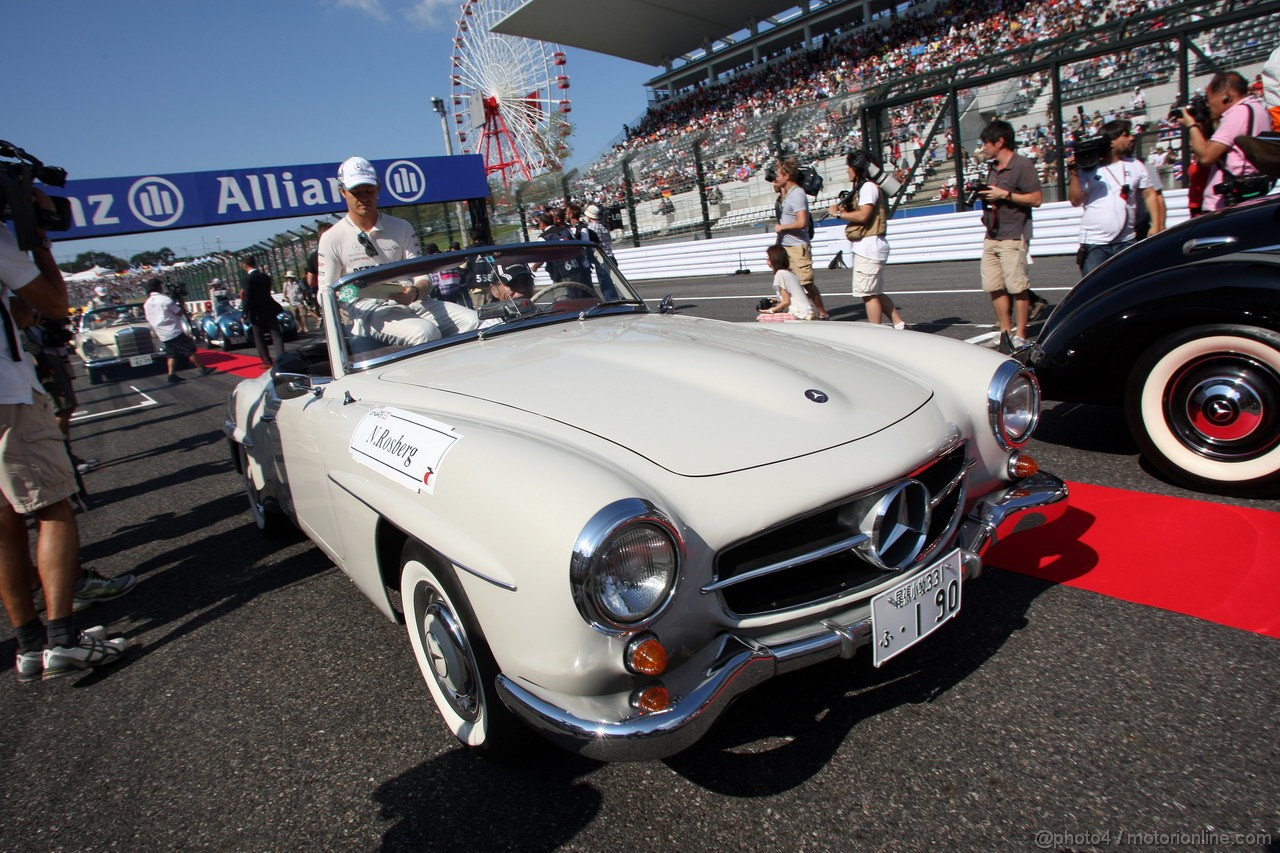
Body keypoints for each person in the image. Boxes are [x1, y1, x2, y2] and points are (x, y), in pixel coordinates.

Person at [0, 191, 130, 683]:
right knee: (52, 508)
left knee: (5, 523)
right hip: (7, 395)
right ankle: (63, 640)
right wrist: (41, 246)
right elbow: (51, 304)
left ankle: (29, 645)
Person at [316, 156, 439, 347]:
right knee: (425, 333)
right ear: (342, 192)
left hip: (415, 302)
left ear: (378, 189)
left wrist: (414, 292)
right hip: (369, 310)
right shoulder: (332, 238)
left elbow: (422, 275)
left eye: (369, 190)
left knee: (479, 322)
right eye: (356, 192)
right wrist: (358, 291)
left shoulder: (401, 227)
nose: (364, 197)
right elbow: (325, 295)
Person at [975, 120, 1043, 350]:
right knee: (994, 285)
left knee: (1017, 286)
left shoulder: (1022, 165)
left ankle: (1021, 334)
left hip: (1014, 235)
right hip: (992, 234)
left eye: (986, 143)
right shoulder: (993, 167)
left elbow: (1036, 199)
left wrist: (1004, 195)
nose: (984, 147)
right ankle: (1005, 331)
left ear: (1000, 141)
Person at [1068, 119, 1163, 275]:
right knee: (1094, 291)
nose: (1131, 138)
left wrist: (1156, 225)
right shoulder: (1088, 168)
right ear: (1111, 141)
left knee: (1128, 287)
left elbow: (1150, 194)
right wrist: (1073, 174)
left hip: (1127, 241)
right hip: (1094, 244)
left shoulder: (1136, 165)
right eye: (1126, 135)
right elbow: (1075, 200)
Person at [827, 150, 905, 329]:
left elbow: (863, 215)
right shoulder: (866, 187)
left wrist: (838, 213)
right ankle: (899, 324)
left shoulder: (867, 187)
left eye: (849, 166)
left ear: (857, 168)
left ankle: (875, 332)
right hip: (871, 246)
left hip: (869, 245)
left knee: (868, 293)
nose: (847, 171)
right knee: (875, 291)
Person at [1179, 71, 1273, 213]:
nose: (1208, 105)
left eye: (1209, 99)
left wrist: (1191, 125)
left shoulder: (1237, 113)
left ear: (1227, 95)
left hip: (1225, 205)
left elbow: (1205, 157)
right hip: (1248, 196)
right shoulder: (1258, 109)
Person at [771, 156, 828, 320]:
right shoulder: (789, 194)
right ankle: (800, 310)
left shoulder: (797, 194)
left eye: (779, 175)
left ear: (787, 177)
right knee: (788, 283)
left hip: (797, 247)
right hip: (787, 246)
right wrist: (779, 166)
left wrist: (782, 227)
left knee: (806, 283)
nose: (776, 178)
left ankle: (822, 312)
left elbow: (802, 222)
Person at [143, 279, 216, 383]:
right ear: (159, 287)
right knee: (190, 350)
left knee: (171, 354)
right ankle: (202, 368)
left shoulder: (147, 303)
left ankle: (171, 374)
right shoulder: (164, 300)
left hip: (162, 333)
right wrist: (181, 304)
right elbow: (179, 313)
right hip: (173, 330)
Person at [239, 256, 285, 365]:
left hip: (256, 312)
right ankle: (282, 358)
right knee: (276, 335)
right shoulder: (265, 277)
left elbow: (247, 297)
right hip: (269, 308)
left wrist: (244, 313)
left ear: (245, 266)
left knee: (259, 337)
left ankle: (267, 361)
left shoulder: (246, 279)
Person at [757, 245, 815, 321]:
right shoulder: (791, 273)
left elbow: (786, 301)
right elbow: (798, 295)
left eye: (768, 258)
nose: (767, 260)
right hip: (808, 311)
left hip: (800, 314)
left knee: (761, 318)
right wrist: (776, 300)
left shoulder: (780, 274)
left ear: (774, 259)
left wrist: (771, 310)